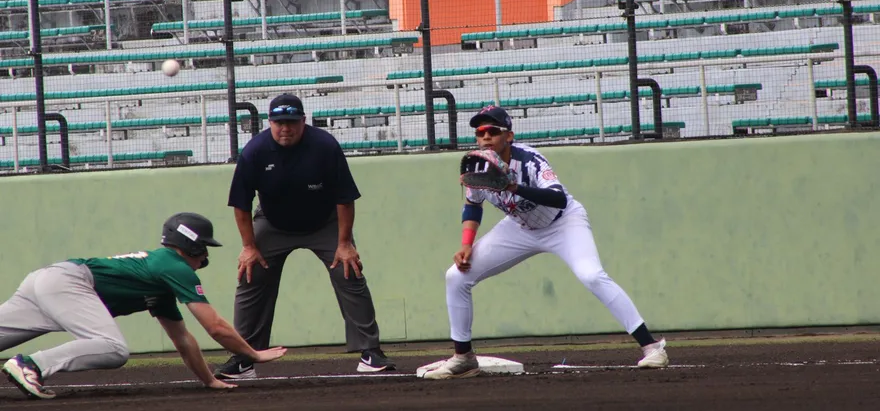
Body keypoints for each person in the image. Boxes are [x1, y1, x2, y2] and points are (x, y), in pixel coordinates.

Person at [422, 106, 669, 379]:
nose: (486, 136)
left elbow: (558, 198)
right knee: (456, 276)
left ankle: (652, 346)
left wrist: (513, 187)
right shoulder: (478, 165)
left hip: (563, 223)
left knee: (592, 275)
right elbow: (472, 205)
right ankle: (464, 358)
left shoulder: (530, 160)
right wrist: (466, 244)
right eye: (480, 132)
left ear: (509, 136)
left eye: (493, 130)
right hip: (519, 227)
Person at [0, 212, 287, 400]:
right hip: (69, 283)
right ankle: (31, 365)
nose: (204, 259)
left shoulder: (160, 281)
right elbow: (215, 326)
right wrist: (252, 354)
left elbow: (183, 339)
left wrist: (209, 380)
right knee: (113, 348)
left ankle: (29, 365)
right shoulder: (175, 267)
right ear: (193, 247)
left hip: (47, 280)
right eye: (204, 249)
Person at [214, 93, 394, 379]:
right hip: (273, 223)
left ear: (303, 121)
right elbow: (240, 204)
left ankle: (370, 351)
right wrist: (249, 246)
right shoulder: (255, 152)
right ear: (269, 123)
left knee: (349, 272)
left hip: (324, 222)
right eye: (279, 123)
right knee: (250, 274)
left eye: (291, 122)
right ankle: (244, 358)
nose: (285, 129)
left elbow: (345, 198)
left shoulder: (324, 146)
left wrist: (344, 243)